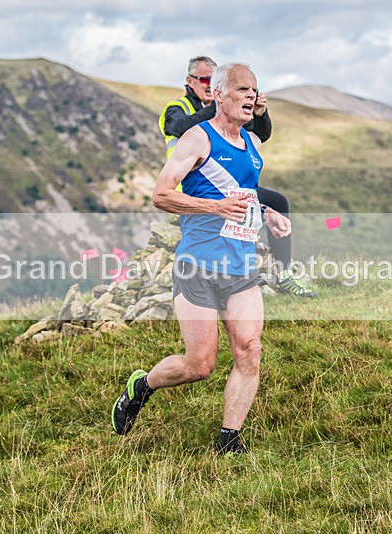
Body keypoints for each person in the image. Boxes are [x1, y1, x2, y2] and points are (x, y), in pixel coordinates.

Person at [113, 63, 291, 455]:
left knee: (249, 350)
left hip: (241, 267)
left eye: (255, 90)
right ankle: (141, 387)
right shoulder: (196, 138)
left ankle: (230, 440)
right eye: (243, 89)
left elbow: (244, 198)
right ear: (219, 95)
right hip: (197, 266)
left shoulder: (253, 146)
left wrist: (268, 214)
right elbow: (161, 195)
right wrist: (214, 208)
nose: (252, 96)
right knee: (200, 365)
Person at [159, 56, 316, 298]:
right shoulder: (176, 108)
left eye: (213, 80)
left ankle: (283, 273)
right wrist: (222, 105)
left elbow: (256, 137)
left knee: (277, 202)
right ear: (190, 81)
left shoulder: (229, 105)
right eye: (205, 80)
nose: (208, 85)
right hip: (189, 186)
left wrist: (259, 113)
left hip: (228, 186)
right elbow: (179, 127)